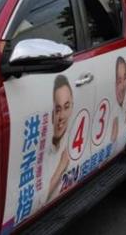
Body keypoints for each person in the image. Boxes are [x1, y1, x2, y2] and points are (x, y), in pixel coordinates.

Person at [44, 75, 74, 204]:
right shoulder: (47, 148)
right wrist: (62, 165)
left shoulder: (70, 138)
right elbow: (41, 198)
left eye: (66, 107)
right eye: (57, 110)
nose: (61, 116)